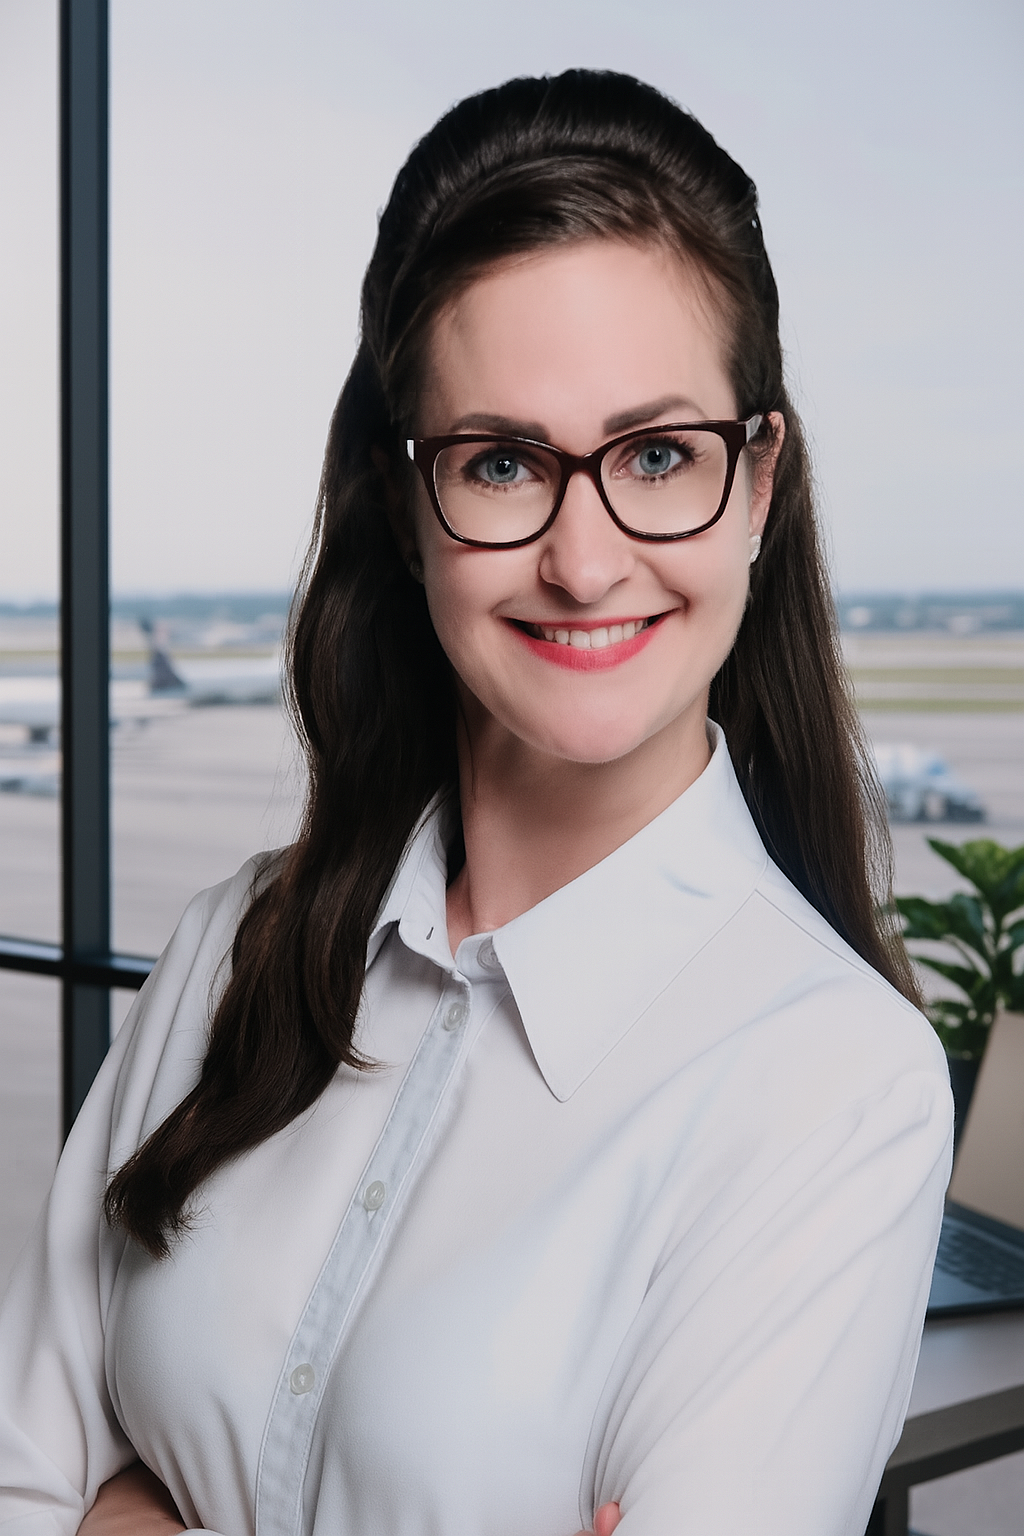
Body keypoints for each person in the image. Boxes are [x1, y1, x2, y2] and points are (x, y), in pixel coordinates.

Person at [0, 70, 951, 1536]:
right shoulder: (227, 945)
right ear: (405, 499)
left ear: (759, 484)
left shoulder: (834, 1087)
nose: (584, 560)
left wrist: (129, 1512)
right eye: (502, 463)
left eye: (656, 456)